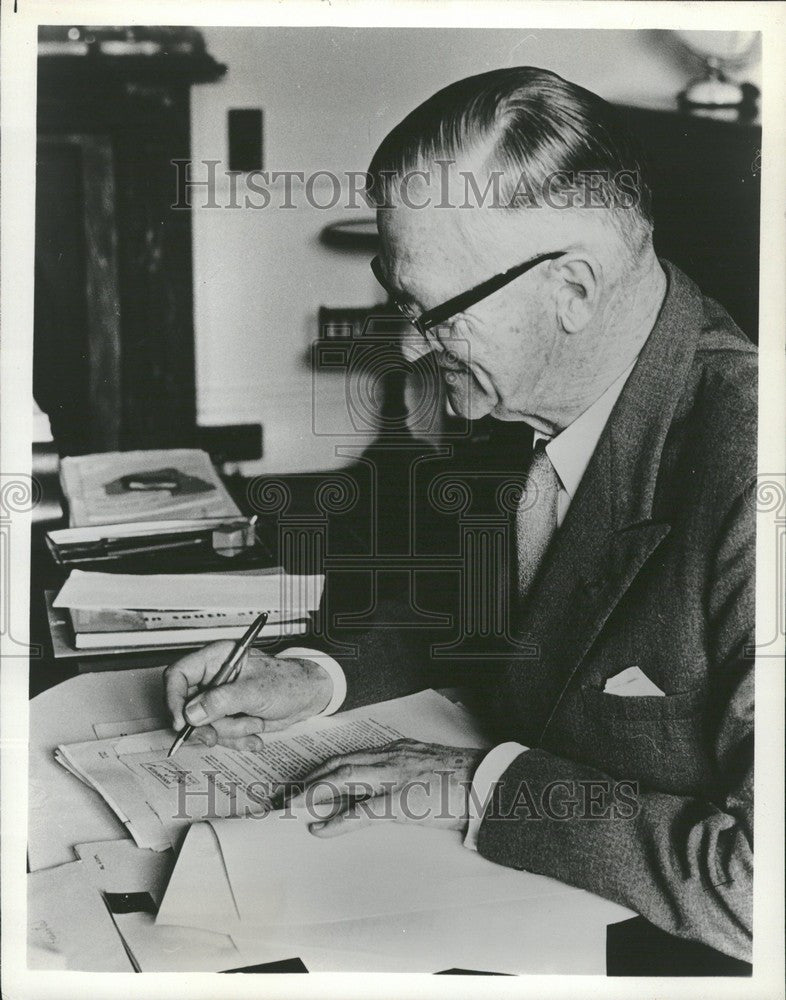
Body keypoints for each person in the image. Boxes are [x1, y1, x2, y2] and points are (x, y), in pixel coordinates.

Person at [165, 68, 755, 962]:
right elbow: (493, 616)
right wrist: (314, 674)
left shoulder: (755, 473)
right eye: (396, 297)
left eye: (432, 311)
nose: (406, 345)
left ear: (575, 289)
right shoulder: (531, 388)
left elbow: (760, 888)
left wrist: (484, 784)